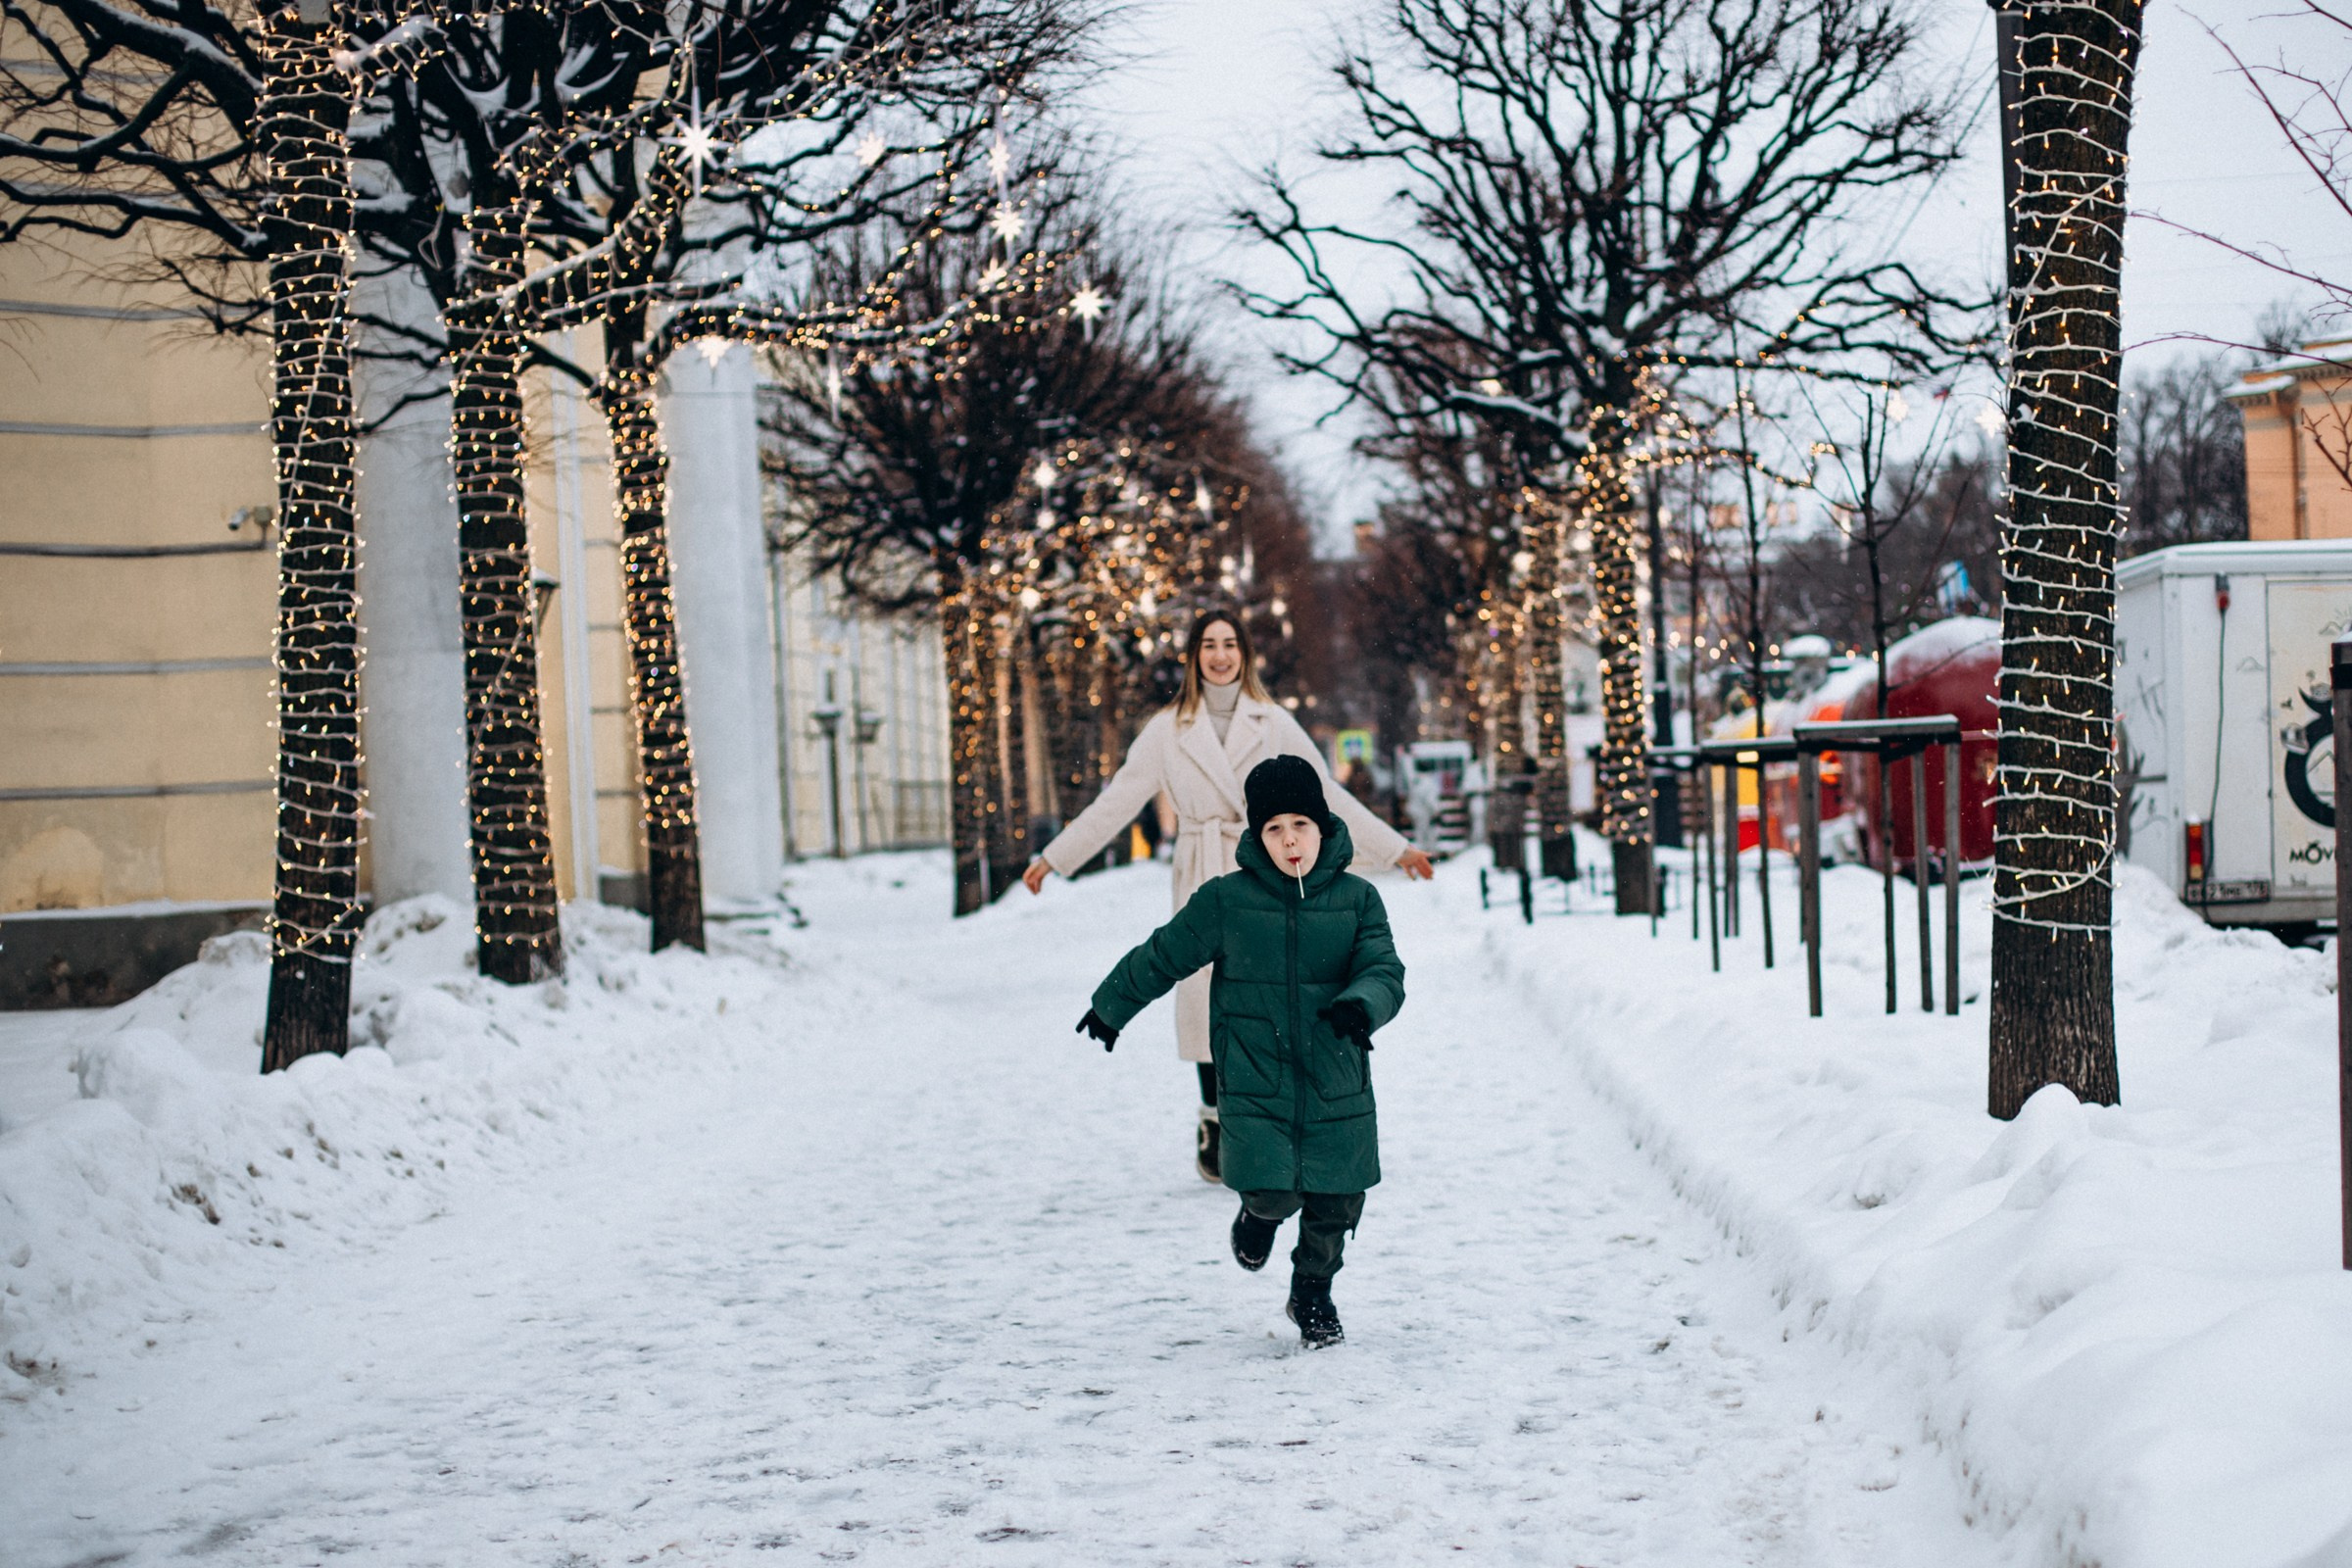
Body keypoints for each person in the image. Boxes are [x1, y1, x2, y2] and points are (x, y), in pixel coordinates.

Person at [1023, 610, 1433, 1181]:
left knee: (1260, 993)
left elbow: (1326, 795)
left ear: (1245, 654)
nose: (1220, 656)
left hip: (1261, 868)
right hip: (1200, 871)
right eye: (1209, 646)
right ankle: (1214, 1117)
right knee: (1201, 1000)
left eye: (1230, 645)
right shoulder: (1168, 729)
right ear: (1194, 657)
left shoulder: (1274, 721)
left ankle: (1262, 1118)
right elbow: (1117, 801)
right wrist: (1055, 857)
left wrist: (1395, 850)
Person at [1073, 756, 1406, 1348]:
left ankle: (1313, 1289)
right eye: (1274, 829)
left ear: (1322, 827)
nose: (1289, 840)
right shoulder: (1227, 901)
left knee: (1337, 1197)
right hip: (1256, 1074)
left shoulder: (1358, 901)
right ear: (1257, 836)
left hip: (1336, 1071)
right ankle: (1259, 1216)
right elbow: (1164, 953)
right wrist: (1111, 1005)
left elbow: (1383, 967)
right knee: (1273, 1187)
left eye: (1300, 825)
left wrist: (1361, 1004)